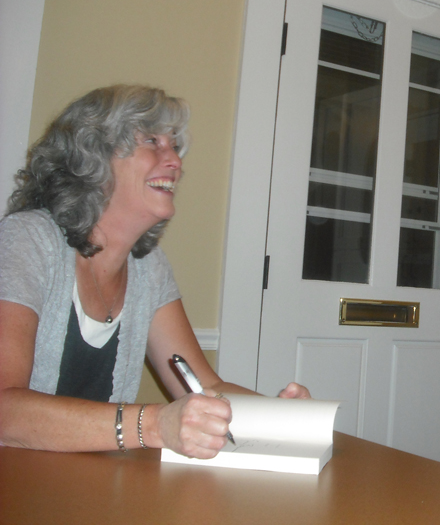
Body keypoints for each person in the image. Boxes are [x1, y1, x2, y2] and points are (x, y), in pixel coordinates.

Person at [0, 85, 309, 456]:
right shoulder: (27, 241)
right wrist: (157, 424)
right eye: (152, 141)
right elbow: (5, 410)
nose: (175, 161)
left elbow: (203, 386)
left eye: (174, 146)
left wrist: (283, 415)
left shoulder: (147, 267)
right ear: (92, 156)